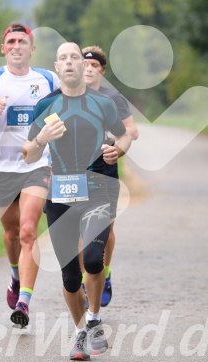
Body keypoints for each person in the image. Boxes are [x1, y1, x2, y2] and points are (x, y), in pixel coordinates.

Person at [23, 42, 131, 361]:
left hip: (98, 190)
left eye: (74, 57)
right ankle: (81, 331)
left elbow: (124, 134)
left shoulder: (102, 103)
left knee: (94, 259)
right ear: (56, 67)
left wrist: (119, 149)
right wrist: (41, 139)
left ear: (82, 66)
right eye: (63, 58)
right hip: (60, 195)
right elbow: (27, 153)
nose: (70, 62)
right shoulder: (46, 105)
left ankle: (95, 318)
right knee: (70, 277)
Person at [0, 22, 60, 327]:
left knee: (28, 230)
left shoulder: (47, 79)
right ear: (3, 49)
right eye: (11, 41)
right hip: (1, 168)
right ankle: (15, 275)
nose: (16, 45)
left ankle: (24, 302)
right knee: (11, 234)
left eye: (23, 41)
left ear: (32, 49)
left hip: (37, 165)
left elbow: (66, 113)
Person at [80, 45, 139, 307]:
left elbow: (132, 131)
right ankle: (88, 277)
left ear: (101, 71)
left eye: (94, 66)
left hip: (105, 167)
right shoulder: (69, 95)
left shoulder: (112, 98)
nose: (88, 69)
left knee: (107, 227)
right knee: (83, 228)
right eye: (85, 65)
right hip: (76, 171)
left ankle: (107, 270)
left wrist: (113, 140)